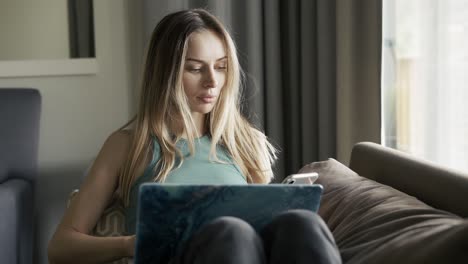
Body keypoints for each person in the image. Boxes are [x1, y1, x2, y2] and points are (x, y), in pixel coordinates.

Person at [48, 8, 342, 264]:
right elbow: (61, 246)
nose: (212, 81)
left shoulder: (245, 142)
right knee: (232, 232)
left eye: (221, 67)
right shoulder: (128, 145)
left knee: (301, 224)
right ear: (166, 74)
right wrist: (130, 243)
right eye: (194, 68)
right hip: (178, 255)